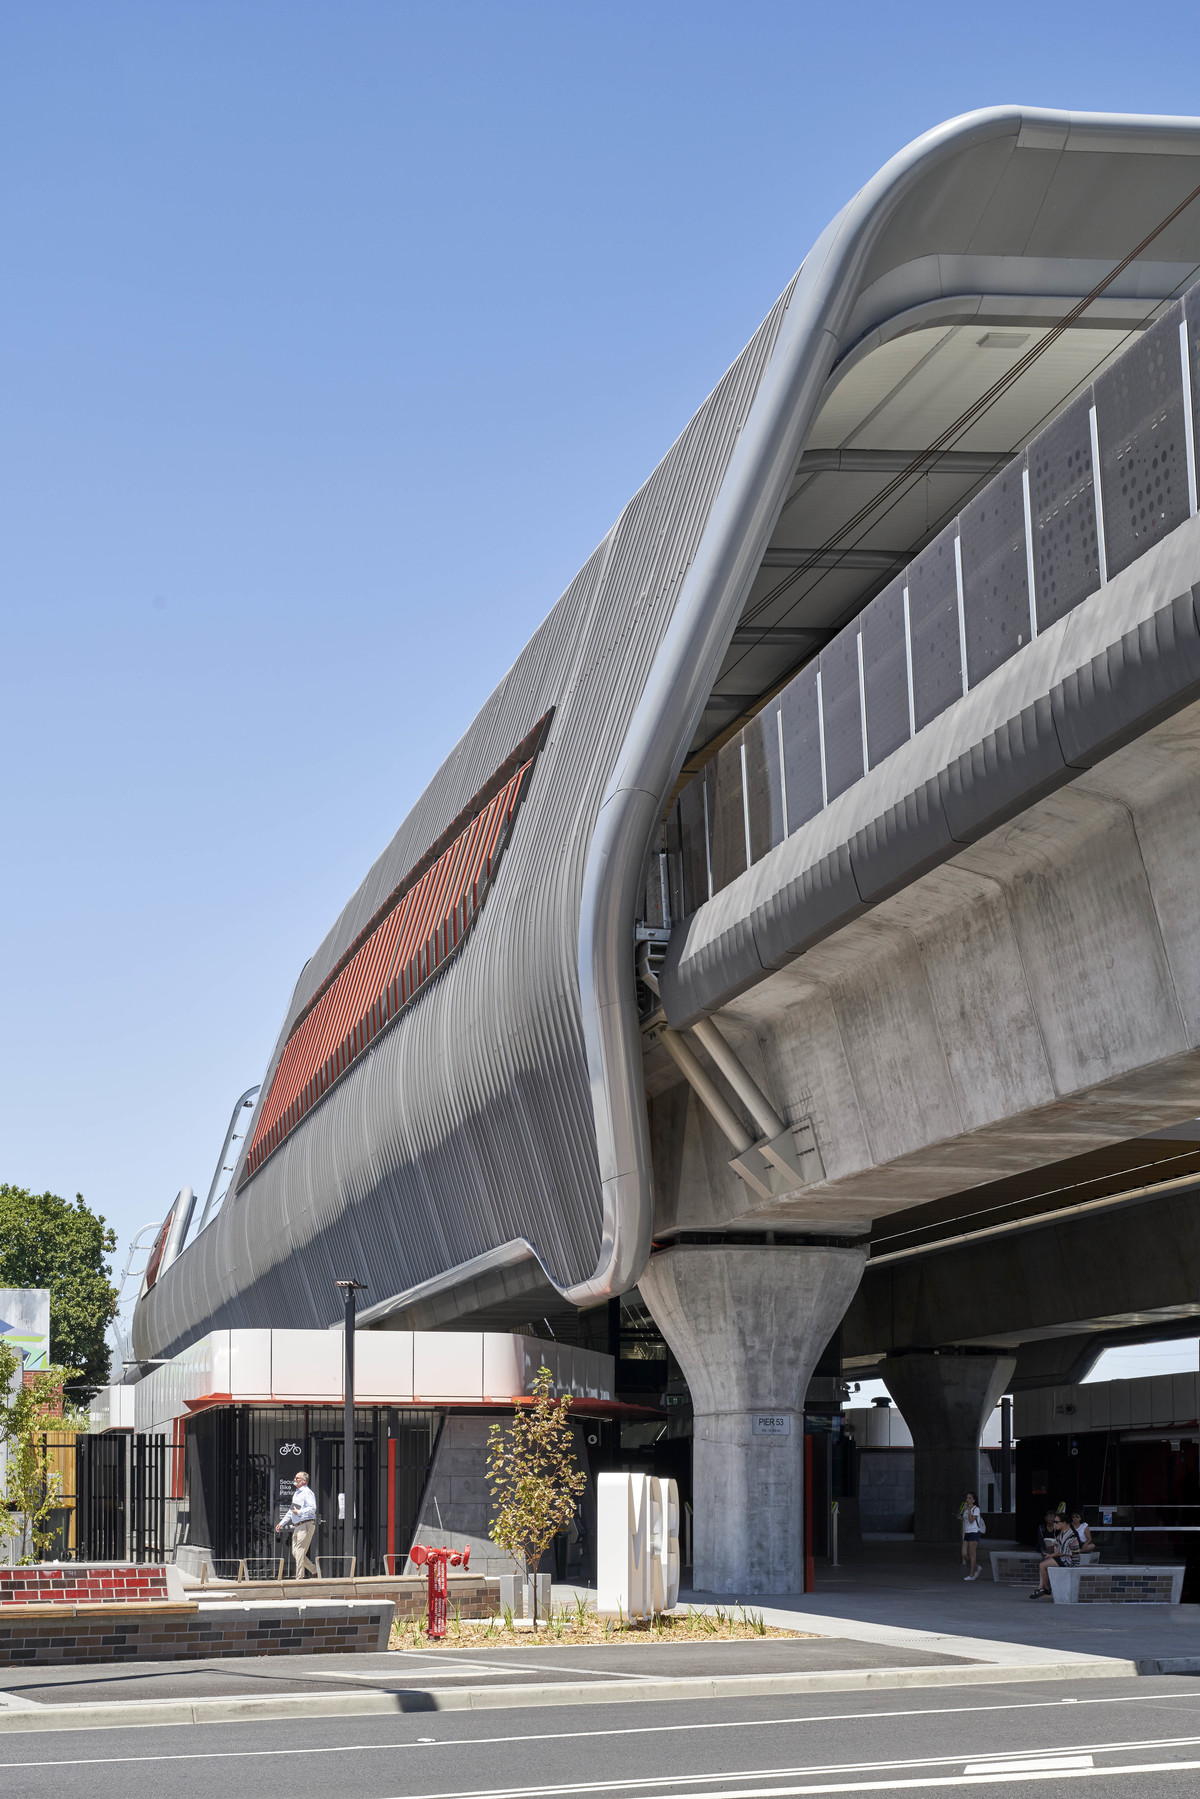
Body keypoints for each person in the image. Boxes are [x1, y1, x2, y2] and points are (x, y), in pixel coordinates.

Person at [276, 1469, 319, 1578]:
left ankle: (299, 1577)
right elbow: (292, 1511)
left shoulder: (307, 1492)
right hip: (298, 1525)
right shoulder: (297, 1493)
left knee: (299, 1551)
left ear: (304, 1481)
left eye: (297, 1478)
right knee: (295, 1552)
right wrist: (282, 1523)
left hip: (306, 1524)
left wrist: (299, 1512)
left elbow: (312, 1508)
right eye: (295, 1478)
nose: (295, 1480)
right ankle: (314, 1570)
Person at [1030, 1515, 1080, 1597]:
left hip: (1070, 1561)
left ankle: (1047, 1589)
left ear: (1064, 1523)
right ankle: (1041, 1588)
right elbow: (1057, 1548)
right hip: (1064, 1558)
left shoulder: (1070, 1534)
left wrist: (1051, 1556)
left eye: (1056, 1522)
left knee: (1043, 1565)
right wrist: (1051, 1553)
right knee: (1043, 1565)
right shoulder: (1062, 1534)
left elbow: (1063, 1553)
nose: (1054, 1524)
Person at [961, 1491, 983, 1580]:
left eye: (970, 1498)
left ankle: (972, 1575)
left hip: (974, 1532)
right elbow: (965, 1520)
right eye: (967, 1498)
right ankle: (976, 1566)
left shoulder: (976, 1509)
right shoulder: (966, 1509)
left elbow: (971, 1520)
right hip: (967, 1532)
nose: (967, 1500)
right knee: (964, 1554)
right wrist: (960, 1517)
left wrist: (970, 1510)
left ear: (973, 1500)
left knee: (972, 1553)